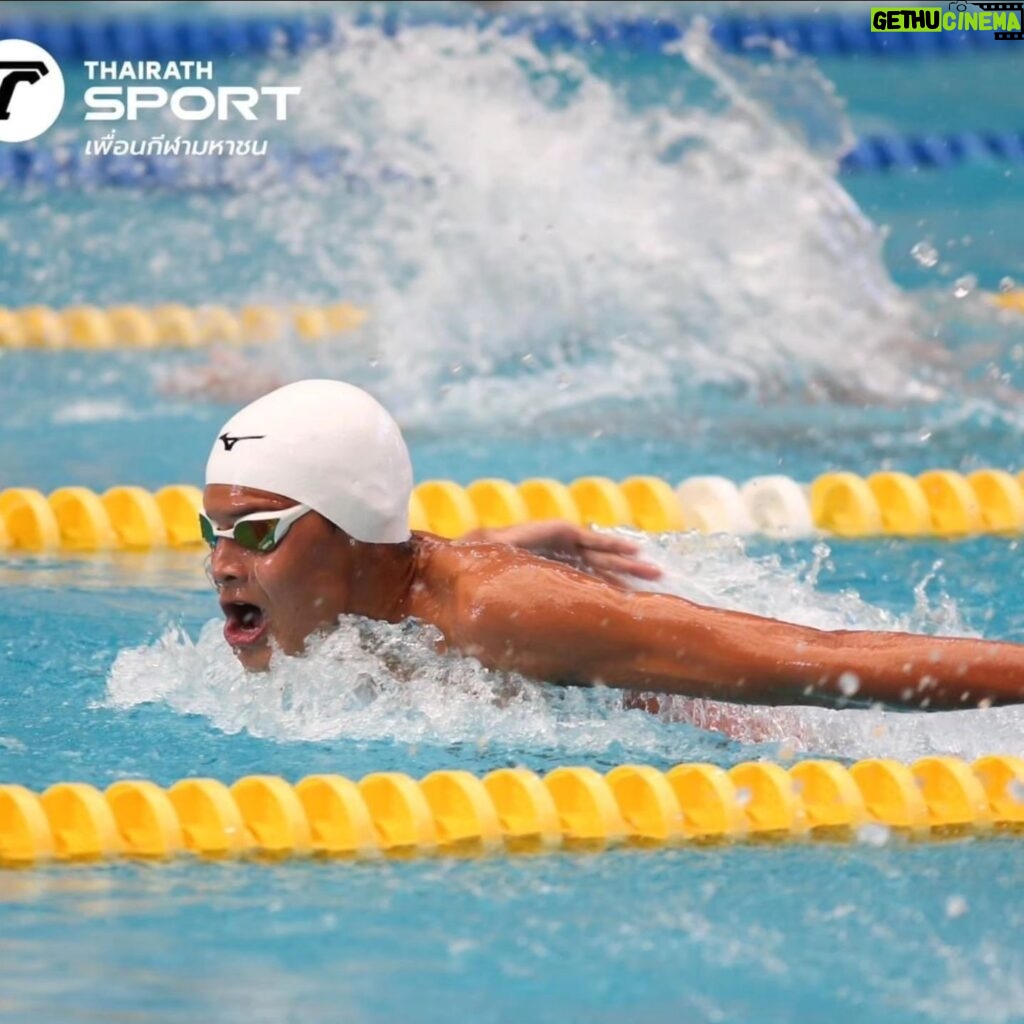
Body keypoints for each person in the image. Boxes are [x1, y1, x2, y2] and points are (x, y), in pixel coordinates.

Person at [202, 378, 1024, 711]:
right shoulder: (348, 600)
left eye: (259, 533)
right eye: (212, 534)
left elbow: (815, 658)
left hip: (779, 737)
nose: (222, 565)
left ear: (351, 532)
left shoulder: (502, 611)